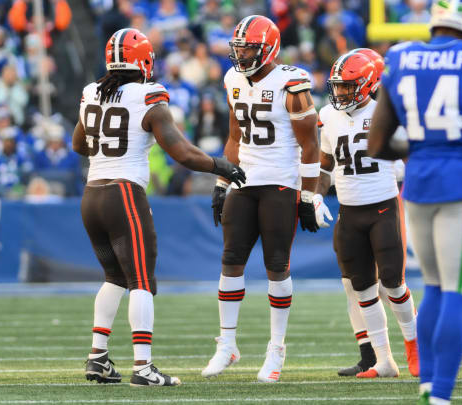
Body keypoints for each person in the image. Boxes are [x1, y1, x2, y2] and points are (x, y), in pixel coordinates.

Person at [366, 1, 462, 403]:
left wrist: (424, 146)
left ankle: (427, 385)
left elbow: (378, 143)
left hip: (417, 185)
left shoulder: (400, 56)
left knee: (434, 287)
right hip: (461, 185)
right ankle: (440, 395)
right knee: (456, 290)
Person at [74, 28, 245, 387]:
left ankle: (98, 357)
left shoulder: (92, 92)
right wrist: (221, 165)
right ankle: (143, 366)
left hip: (91, 194)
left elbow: (79, 143)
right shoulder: (149, 95)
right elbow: (182, 153)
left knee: (114, 278)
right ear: (144, 61)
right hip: (123, 195)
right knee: (140, 281)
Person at [202, 15, 320, 383]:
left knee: (276, 264)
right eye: (239, 47)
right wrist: (223, 181)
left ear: (268, 48)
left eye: (249, 47)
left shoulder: (292, 82)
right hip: (244, 179)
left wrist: (309, 195)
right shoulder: (233, 79)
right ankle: (227, 344)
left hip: (280, 182)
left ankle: (277, 347)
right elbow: (235, 136)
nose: (242, 54)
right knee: (230, 259)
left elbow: (310, 144)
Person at [314, 50, 418, 379]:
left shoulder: (387, 111)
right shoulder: (328, 115)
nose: (341, 93)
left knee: (394, 284)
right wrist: (315, 196)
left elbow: (410, 156)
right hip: (349, 212)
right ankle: (384, 360)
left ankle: (416, 349)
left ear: (368, 84)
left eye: (348, 86)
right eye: (339, 87)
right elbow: (326, 165)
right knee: (362, 289)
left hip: (383, 207)